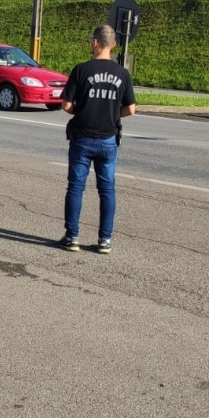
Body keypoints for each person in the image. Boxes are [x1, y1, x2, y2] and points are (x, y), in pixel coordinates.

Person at [59, 25, 136, 254]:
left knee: (76, 188)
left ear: (95, 43)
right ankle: (105, 240)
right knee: (107, 190)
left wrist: (81, 112)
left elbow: (66, 105)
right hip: (109, 140)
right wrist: (112, 114)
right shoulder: (122, 74)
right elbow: (131, 109)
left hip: (82, 138)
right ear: (112, 44)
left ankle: (72, 237)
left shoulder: (81, 70)